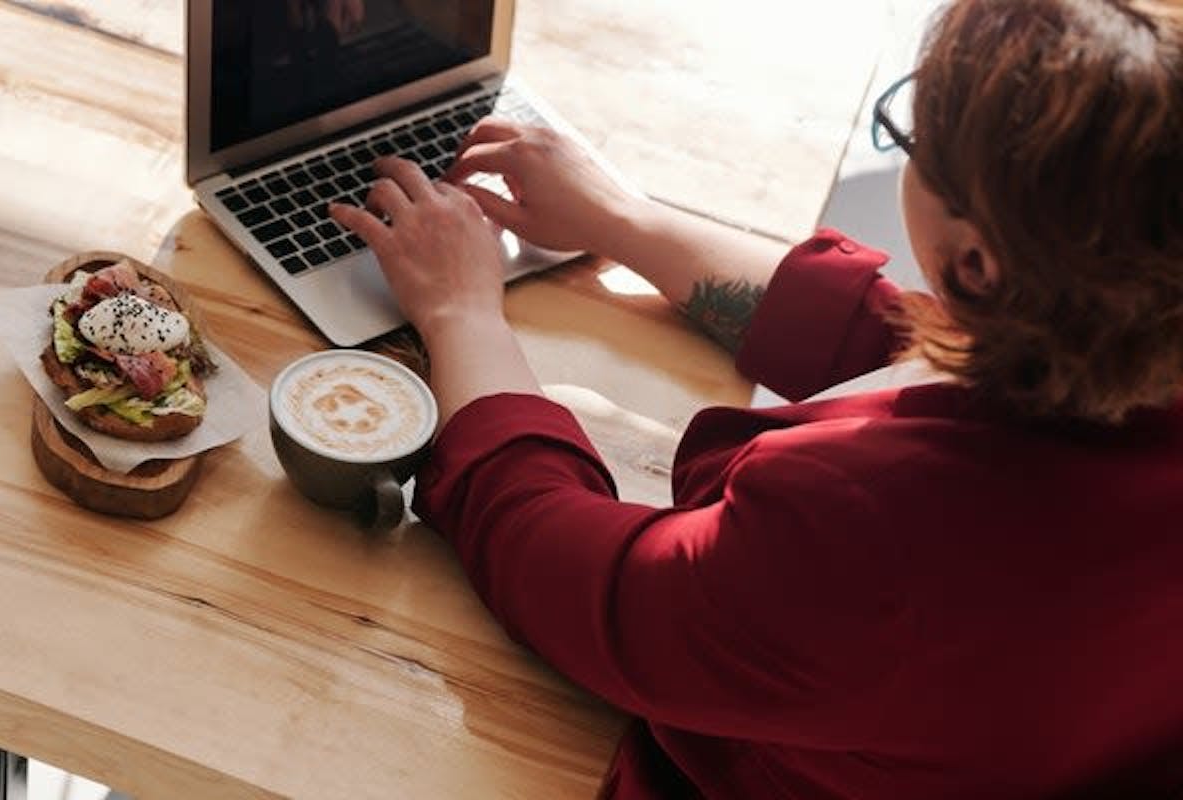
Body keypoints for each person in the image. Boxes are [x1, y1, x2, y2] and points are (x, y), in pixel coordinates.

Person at [330, 0, 1183, 796]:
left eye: (916, 134)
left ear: (974, 267)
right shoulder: (1135, 347)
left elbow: (588, 590)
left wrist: (460, 312)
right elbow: (918, 346)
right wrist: (623, 220)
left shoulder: (865, 528)